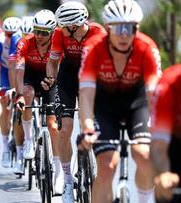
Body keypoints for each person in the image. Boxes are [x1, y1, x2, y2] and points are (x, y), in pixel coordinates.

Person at [78, 0, 161, 202]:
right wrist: (87, 127)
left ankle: (144, 199)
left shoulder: (146, 47)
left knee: (144, 155)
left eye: (130, 28)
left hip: (136, 103)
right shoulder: (93, 47)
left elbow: (155, 95)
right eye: (118, 28)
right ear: (107, 29)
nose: (124, 34)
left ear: (137, 28)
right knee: (107, 165)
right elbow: (86, 93)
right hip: (104, 105)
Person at [40, 1, 105, 199]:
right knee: (65, 130)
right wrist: (51, 79)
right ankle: (67, 180)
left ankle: (93, 165)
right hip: (68, 78)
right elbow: (52, 61)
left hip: (92, 77)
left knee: (93, 128)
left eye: (63, 26)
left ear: (75, 25)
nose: (59, 29)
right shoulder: (60, 34)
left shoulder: (97, 33)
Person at [14, 9, 58, 174]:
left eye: (44, 32)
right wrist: (18, 95)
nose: (39, 35)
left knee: (53, 123)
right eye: (36, 30)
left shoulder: (57, 42)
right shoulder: (25, 41)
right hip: (30, 77)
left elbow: (59, 68)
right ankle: (28, 139)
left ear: (52, 32)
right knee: (27, 95)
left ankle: (57, 167)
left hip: (50, 78)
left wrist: (52, 81)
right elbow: (19, 67)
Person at [0, 17, 21, 168]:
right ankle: (5, 148)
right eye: (8, 34)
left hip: (20, 70)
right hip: (4, 71)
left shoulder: (22, 39)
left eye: (13, 34)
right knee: (5, 108)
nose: (11, 37)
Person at [150, 64, 181, 203]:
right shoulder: (168, 84)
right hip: (174, 143)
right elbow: (159, 146)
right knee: (166, 191)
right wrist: (164, 173)